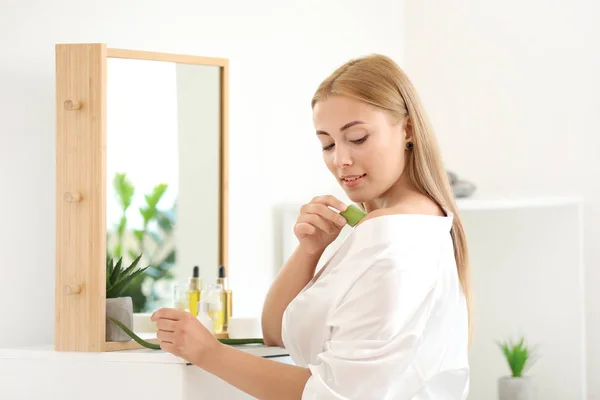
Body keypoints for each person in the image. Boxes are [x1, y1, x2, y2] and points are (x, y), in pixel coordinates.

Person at [151, 54, 471, 399]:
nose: (340, 160)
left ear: (407, 129)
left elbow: (334, 393)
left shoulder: (394, 237)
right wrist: (309, 251)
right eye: (328, 144)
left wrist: (209, 353)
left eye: (358, 138)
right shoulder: (404, 225)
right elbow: (276, 334)